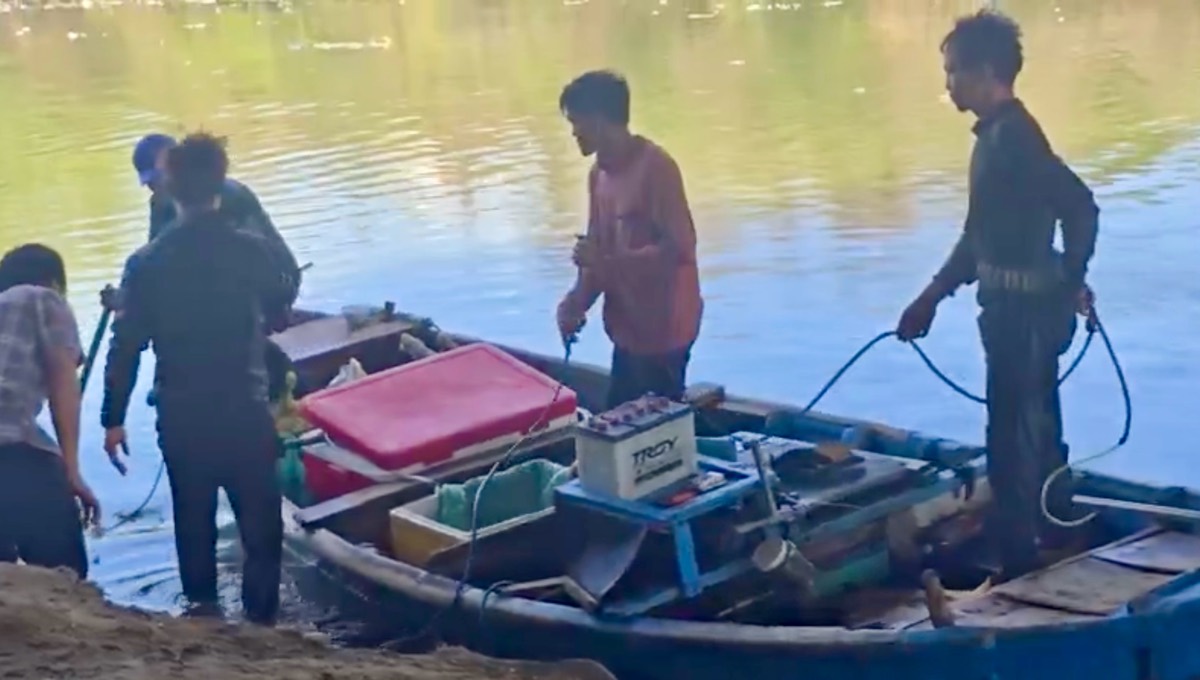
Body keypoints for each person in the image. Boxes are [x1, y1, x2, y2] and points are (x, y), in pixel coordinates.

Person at [895, 10, 1099, 578]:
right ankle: (1056, 525)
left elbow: (1079, 206)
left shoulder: (1015, 138)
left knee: (1012, 437)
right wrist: (933, 294)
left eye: (953, 71)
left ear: (986, 72)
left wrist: (1070, 277)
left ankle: (1019, 561)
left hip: (1023, 314)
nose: (948, 83)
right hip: (1015, 309)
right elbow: (978, 237)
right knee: (1037, 423)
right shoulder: (996, 137)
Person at [102, 132, 298, 625]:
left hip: (182, 411)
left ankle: (203, 614)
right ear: (220, 182)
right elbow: (283, 292)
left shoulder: (146, 263)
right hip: (244, 406)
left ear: (169, 185)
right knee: (261, 528)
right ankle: (262, 625)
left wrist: (112, 418)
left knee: (193, 520)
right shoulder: (251, 251)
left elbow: (126, 346)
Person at [555, 70, 704, 409]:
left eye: (576, 122)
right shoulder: (598, 175)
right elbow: (597, 254)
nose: (574, 132)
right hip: (628, 331)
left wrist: (606, 261)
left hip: (666, 331)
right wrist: (574, 304)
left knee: (652, 427)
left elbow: (679, 250)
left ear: (599, 120)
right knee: (617, 419)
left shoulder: (657, 167)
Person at [119, 133, 304, 402]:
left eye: (156, 179)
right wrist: (128, 297)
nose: (153, 188)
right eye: (149, 183)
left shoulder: (228, 197)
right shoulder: (160, 206)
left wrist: (275, 307)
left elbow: (266, 265)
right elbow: (158, 265)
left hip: (243, 295)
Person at [0, 244, 99, 578]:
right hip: (11, 449)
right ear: (54, 281)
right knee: (66, 572)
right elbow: (63, 385)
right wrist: (72, 472)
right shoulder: (42, 299)